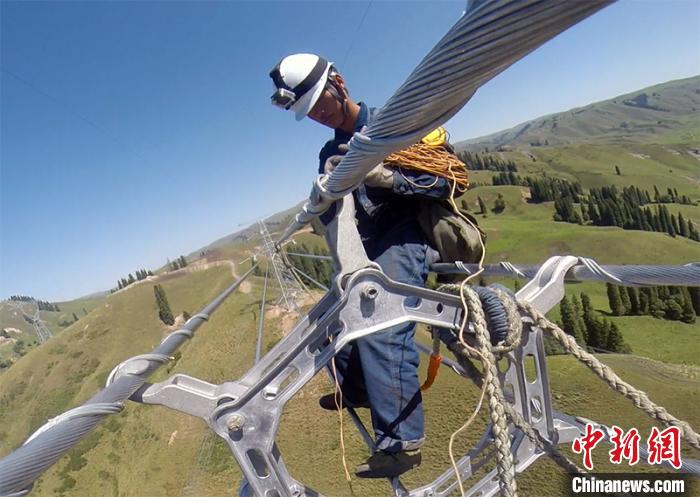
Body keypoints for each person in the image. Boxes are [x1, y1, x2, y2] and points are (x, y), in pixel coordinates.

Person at [269, 53, 453, 479]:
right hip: (367, 245)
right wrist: (324, 199)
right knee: (333, 322)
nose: (318, 113)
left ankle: (401, 442)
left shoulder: (398, 120)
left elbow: (446, 178)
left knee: (379, 317)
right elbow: (336, 213)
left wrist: (388, 177)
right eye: (310, 109)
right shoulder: (331, 152)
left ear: (340, 82)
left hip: (408, 232)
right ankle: (356, 389)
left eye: (321, 101)